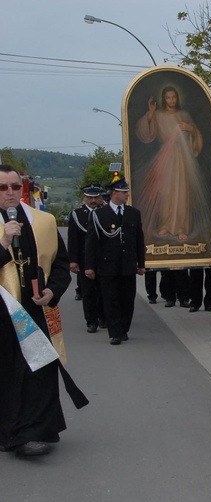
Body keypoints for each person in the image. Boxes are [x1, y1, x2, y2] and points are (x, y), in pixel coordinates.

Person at [0, 164, 87, 457]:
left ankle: (33, 432)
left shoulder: (43, 221)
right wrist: (3, 242)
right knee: (9, 374)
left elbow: (61, 265)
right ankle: (9, 431)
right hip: (3, 314)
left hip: (36, 311)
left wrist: (52, 291)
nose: (10, 193)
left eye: (15, 186)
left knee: (39, 371)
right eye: (3, 188)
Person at [134, 86, 211, 242]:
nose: (171, 100)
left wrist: (189, 128)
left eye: (173, 97)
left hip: (183, 157)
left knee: (182, 191)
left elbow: (196, 135)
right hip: (166, 156)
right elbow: (144, 131)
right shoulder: (157, 115)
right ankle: (165, 224)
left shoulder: (184, 115)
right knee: (166, 191)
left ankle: (182, 227)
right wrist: (150, 112)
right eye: (168, 97)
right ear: (164, 99)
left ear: (177, 98)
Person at [85, 177, 146, 346]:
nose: (127, 194)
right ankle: (115, 333)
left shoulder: (134, 213)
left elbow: (139, 240)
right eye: (123, 192)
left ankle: (124, 328)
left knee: (127, 299)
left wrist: (141, 263)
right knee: (111, 299)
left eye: (127, 191)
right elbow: (91, 242)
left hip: (127, 264)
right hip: (107, 265)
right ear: (114, 194)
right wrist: (89, 266)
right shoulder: (99, 215)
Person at [68, 185, 106, 333]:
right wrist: (73, 260)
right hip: (85, 259)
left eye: (96, 197)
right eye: (90, 197)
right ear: (84, 198)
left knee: (104, 290)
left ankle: (104, 317)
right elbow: (73, 239)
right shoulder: (77, 214)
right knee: (88, 292)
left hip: (103, 258)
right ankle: (91, 321)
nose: (93, 200)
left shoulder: (104, 212)